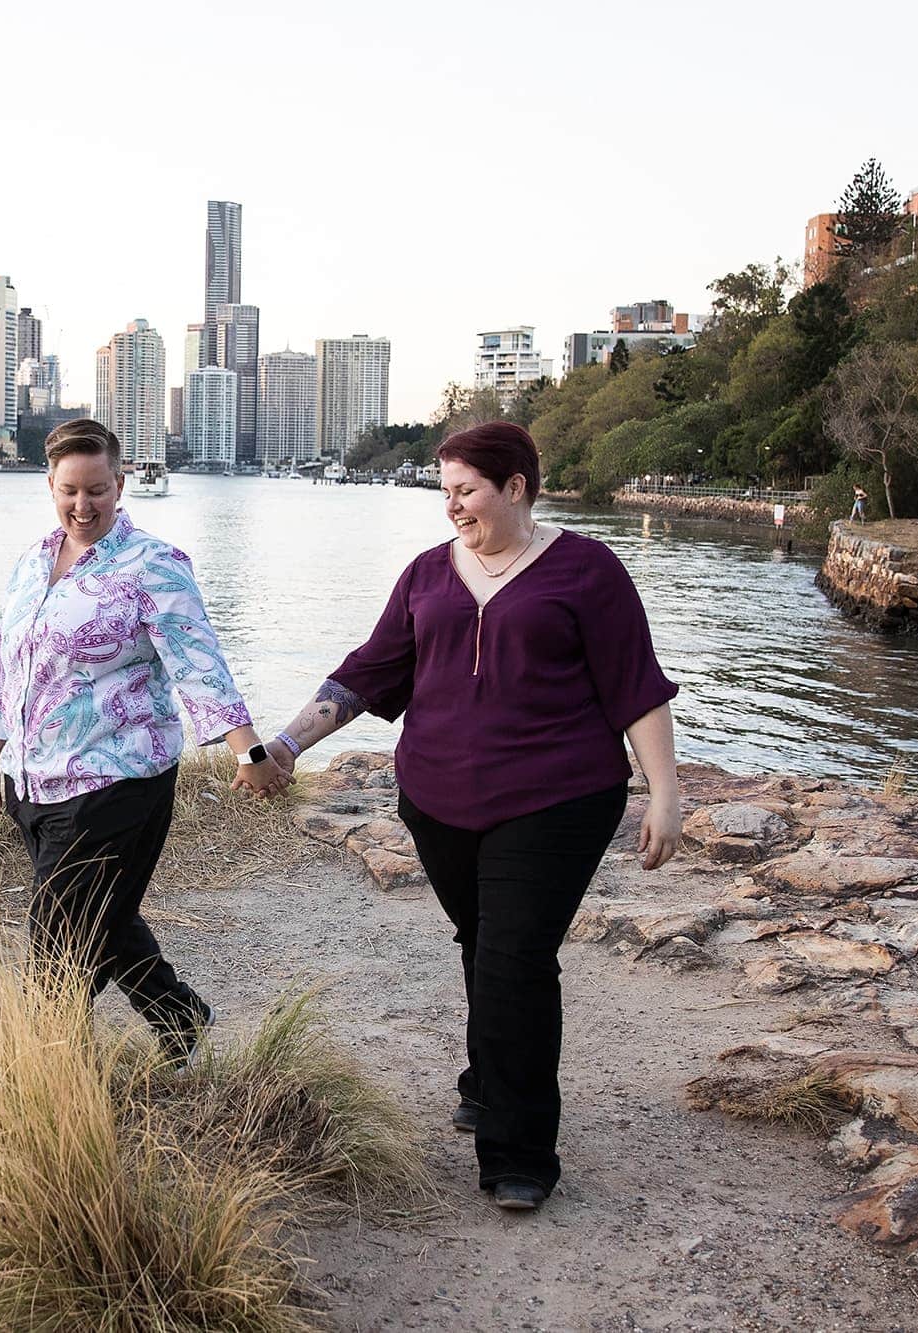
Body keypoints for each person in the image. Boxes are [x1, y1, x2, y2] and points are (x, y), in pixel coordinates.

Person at [266, 421, 681, 1212]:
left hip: (557, 797)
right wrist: (288, 743)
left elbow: (637, 685)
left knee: (516, 956)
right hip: (437, 799)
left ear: (517, 486)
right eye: (444, 490)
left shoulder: (588, 570)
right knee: (484, 940)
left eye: (465, 490)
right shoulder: (427, 573)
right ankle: (486, 1076)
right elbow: (369, 671)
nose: (450, 506)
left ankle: (518, 1151)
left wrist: (666, 791)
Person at [0, 419, 288, 1061]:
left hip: (118, 779)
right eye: (69, 491)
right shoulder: (32, 563)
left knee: (58, 940)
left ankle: (45, 1076)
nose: (82, 506)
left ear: (120, 484)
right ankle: (180, 1019)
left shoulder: (154, 564)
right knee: (105, 918)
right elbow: (6, 663)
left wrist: (248, 752)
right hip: (35, 781)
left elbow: (198, 663)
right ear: (50, 485)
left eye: (97, 490)